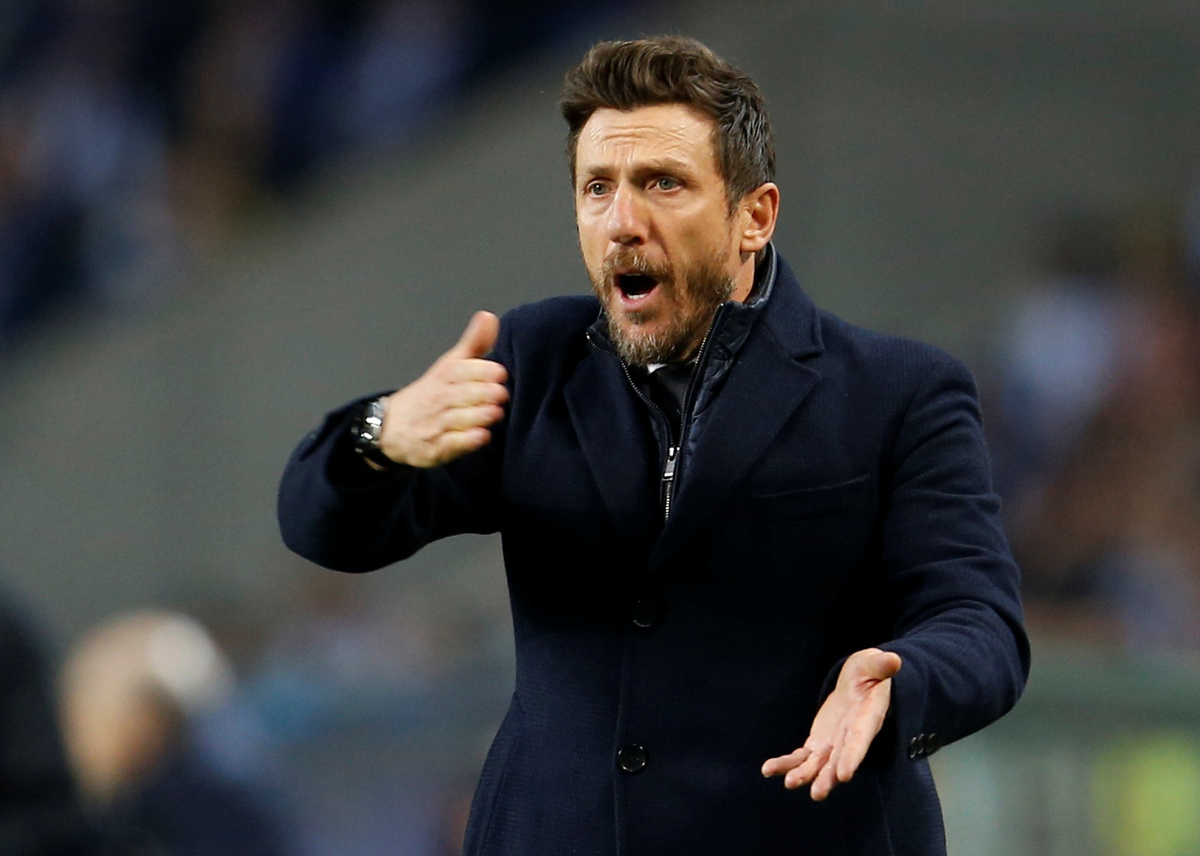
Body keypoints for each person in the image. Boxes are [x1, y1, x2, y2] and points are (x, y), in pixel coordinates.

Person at [278, 35, 1029, 855]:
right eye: (597, 188)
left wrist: (899, 679)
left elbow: (980, 623)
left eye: (662, 184)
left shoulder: (897, 392)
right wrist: (382, 435)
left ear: (754, 217)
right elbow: (325, 530)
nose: (623, 224)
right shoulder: (530, 361)